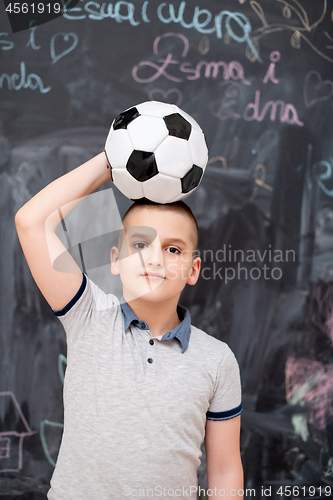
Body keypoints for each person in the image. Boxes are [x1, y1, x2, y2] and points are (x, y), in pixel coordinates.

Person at [15, 151, 243, 500]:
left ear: (193, 270)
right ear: (116, 260)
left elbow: (225, 471)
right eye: (139, 244)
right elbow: (31, 221)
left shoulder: (217, 360)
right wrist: (112, 163)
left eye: (173, 250)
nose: (154, 258)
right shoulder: (89, 315)